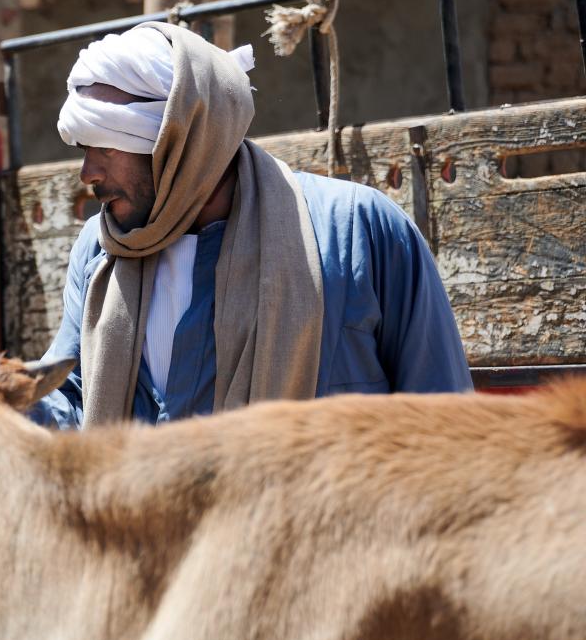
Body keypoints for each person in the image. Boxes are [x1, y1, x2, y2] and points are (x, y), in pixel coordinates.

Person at [29, 22, 472, 430]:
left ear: (180, 142)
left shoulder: (357, 231)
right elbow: (74, 399)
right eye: (84, 151)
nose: (87, 173)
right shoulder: (102, 249)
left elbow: (441, 419)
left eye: (105, 148)